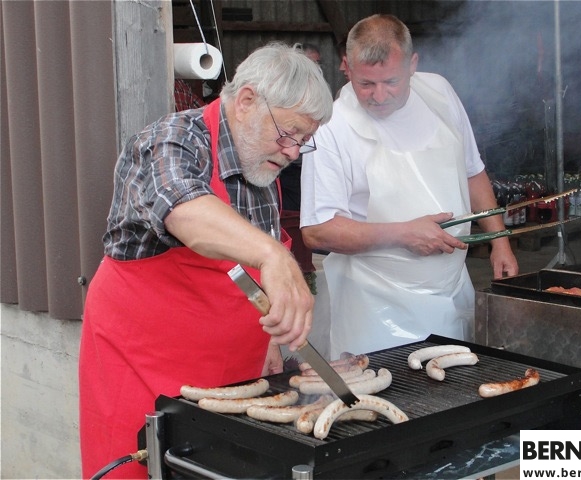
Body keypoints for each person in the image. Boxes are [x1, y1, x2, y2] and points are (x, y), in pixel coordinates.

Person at [79, 42, 333, 479]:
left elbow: (243, 273)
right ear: (247, 100)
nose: (293, 152)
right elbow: (185, 210)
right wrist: (273, 255)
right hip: (142, 368)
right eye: (288, 134)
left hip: (234, 378)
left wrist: (270, 340)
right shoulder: (171, 140)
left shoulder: (261, 161)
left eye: (303, 142)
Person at [299, 14, 518, 358]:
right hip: (374, 306)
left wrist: (499, 241)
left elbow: (472, 172)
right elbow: (317, 231)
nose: (379, 96)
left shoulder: (439, 93)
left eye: (391, 81)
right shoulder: (331, 128)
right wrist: (404, 234)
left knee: (455, 381)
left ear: (412, 65)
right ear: (347, 67)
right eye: (365, 84)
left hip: (451, 289)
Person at [279, 42, 324, 293]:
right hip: (286, 171)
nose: (315, 68)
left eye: (318, 63)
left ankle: (304, 274)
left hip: (306, 167)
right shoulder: (286, 94)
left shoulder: (322, 96)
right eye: (310, 63)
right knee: (290, 218)